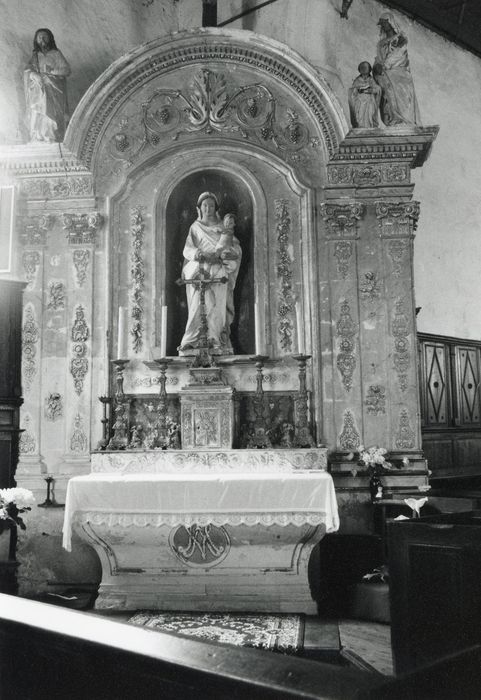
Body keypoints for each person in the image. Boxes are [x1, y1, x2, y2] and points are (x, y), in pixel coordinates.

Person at [179, 192, 242, 354]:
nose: (208, 208)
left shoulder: (224, 228)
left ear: (216, 208)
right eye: (205, 205)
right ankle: (192, 339)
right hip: (199, 270)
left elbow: (235, 248)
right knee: (196, 305)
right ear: (199, 208)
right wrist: (198, 254)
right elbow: (188, 249)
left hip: (218, 271)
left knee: (216, 305)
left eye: (211, 205)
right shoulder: (195, 227)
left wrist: (229, 254)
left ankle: (215, 339)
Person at [373, 12, 421, 127]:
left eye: (385, 23)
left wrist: (384, 65)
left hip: (399, 74)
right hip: (385, 75)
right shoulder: (381, 44)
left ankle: (404, 120)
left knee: (402, 96)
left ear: (390, 23)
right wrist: (377, 66)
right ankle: (393, 119)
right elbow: (378, 58)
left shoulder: (400, 38)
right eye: (382, 24)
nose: (383, 26)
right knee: (387, 97)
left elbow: (400, 54)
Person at [24, 28, 71, 142]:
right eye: (39, 37)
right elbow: (27, 70)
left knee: (50, 112)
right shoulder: (35, 56)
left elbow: (66, 70)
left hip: (54, 90)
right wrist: (33, 74)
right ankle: (37, 134)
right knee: (38, 106)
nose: (42, 39)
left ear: (50, 39)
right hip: (39, 91)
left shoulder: (56, 54)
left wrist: (51, 72)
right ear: (36, 40)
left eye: (45, 37)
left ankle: (51, 134)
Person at [348, 61, 381, 128]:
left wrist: (371, 90)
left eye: (366, 68)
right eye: (363, 68)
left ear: (369, 70)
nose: (364, 70)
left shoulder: (371, 80)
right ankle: (360, 126)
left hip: (369, 101)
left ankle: (370, 126)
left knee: (370, 114)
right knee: (360, 116)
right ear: (360, 70)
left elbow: (378, 89)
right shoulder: (357, 80)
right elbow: (352, 91)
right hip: (360, 102)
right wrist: (358, 90)